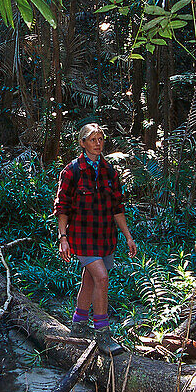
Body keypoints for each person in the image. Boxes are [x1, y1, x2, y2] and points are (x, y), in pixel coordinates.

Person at [53, 123, 136, 355]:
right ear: (82, 143)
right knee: (102, 278)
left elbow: (117, 208)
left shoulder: (110, 172)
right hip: (82, 235)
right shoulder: (72, 171)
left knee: (89, 280)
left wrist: (129, 237)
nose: (97, 143)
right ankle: (103, 334)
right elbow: (62, 207)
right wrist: (63, 238)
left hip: (105, 235)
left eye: (100, 139)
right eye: (92, 139)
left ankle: (78, 325)